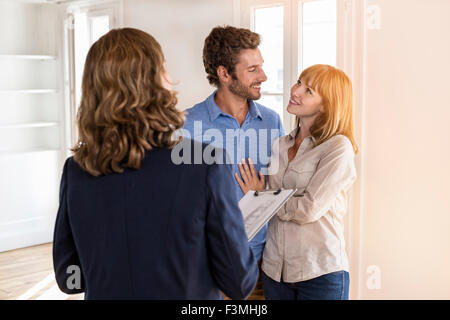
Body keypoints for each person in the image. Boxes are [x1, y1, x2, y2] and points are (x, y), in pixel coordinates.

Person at [52, 28, 258, 300]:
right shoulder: (205, 163)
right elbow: (238, 283)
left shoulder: (76, 170)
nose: (171, 78)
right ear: (155, 84)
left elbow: (69, 277)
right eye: (164, 69)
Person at [236, 64, 358, 300]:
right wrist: (260, 197)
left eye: (309, 90)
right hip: (274, 272)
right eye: (299, 82)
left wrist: (264, 196)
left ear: (327, 105)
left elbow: (308, 209)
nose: (296, 90)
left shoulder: (338, 147)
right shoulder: (280, 145)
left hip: (320, 273)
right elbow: (268, 203)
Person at [182, 25, 285, 266]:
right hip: (207, 262)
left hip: (262, 262)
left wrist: (262, 193)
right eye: (253, 69)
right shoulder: (187, 125)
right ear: (224, 74)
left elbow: (283, 185)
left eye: (261, 66)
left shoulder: (271, 121)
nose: (263, 76)